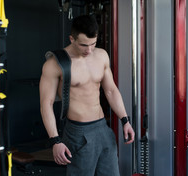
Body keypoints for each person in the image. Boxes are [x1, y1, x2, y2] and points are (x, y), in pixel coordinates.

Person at [39, 15, 135, 176]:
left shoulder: (101, 55)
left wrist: (125, 120)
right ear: (72, 39)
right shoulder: (55, 64)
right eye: (84, 45)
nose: (89, 50)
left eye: (93, 44)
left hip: (103, 128)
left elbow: (110, 90)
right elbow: (46, 104)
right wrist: (55, 141)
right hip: (78, 132)